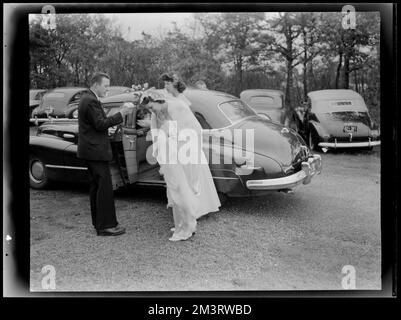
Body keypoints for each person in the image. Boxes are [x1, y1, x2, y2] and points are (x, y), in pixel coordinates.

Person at [77, 72, 136, 236]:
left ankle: (99, 223)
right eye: (105, 86)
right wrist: (121, 114)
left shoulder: (87, 98)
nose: (107, 89)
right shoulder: (91, 101)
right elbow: (101, 124)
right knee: (104, 188)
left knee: (96, 187)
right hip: (95, 151)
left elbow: (96, 125)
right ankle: (106, 226)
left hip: (90, 150)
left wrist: (107, 126)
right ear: (96, 85)